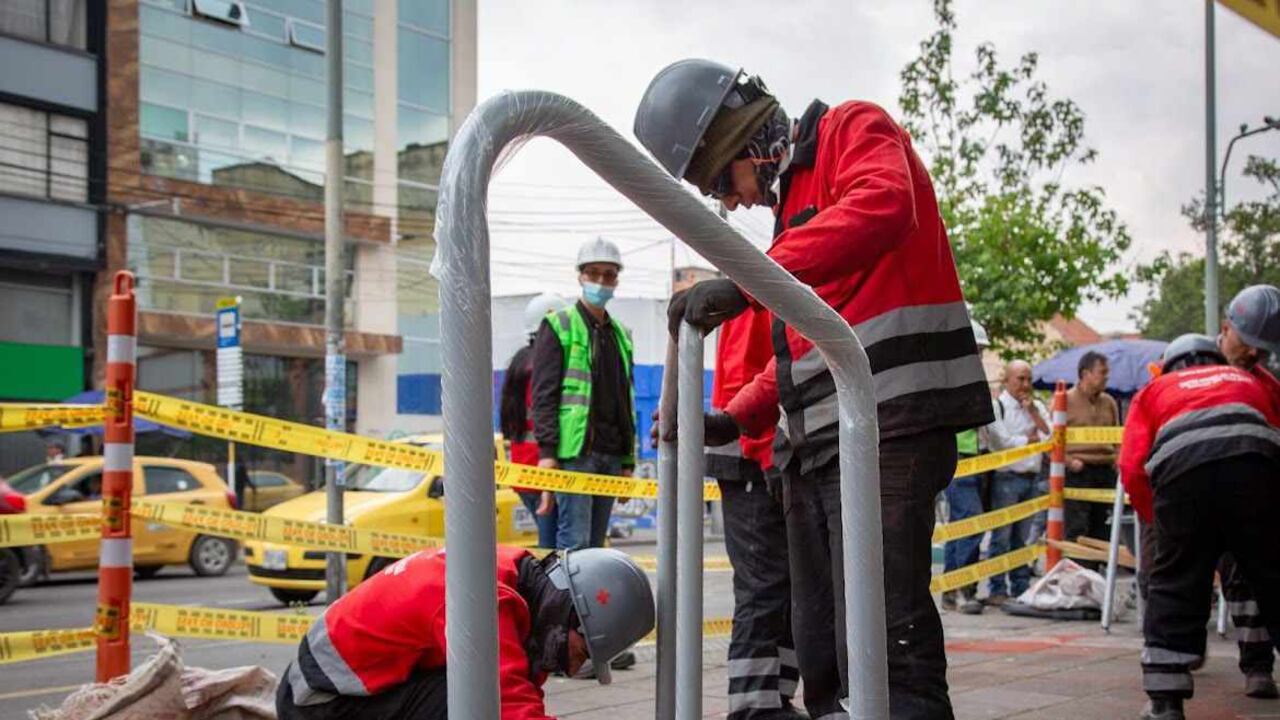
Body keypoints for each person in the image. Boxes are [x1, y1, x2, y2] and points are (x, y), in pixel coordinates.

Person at [635, 59, 994, 718]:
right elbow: (817, 343)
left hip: (895, 424)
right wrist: (737, 416)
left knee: (886, 634)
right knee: (823, 640)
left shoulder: (851, 128)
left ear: (741, 139)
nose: (734, 202)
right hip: (818, 447)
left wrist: (748, 279)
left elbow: (885, 203)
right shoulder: (794, 214)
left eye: (724, 181)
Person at [276, 546, 654, 720]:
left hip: (354, 689)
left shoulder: (521, 584)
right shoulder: (482, 600)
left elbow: (523, 694)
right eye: (584, 654)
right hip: (319, 702)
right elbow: (509, 706)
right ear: (573, 617)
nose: (574, 670)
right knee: (474, 701)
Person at [1120, 334, 1280, 720]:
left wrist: (1159, 522)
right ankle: (1259, 669)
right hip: (1254, 464)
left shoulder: (1155, 390)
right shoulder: (1250, 382)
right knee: (1272, 574)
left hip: (1182, 473)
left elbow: (1132, 464)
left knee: (1175, 580)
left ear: (1170, 365)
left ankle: (1165, 700)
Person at [705, 305, 803, 719]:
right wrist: (766, 457)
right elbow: (741, 380)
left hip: (764, 453)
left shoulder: (765, 286)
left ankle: (775, 696)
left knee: (789, 587)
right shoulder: (756, 291)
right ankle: (752, 706)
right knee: (764, 586)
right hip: (751, 455)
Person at [530, 238, 636, 552]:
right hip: (576, 454)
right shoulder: (558, 325)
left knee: (595, 547)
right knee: (574, 543)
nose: (601, 281)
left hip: (611, 454)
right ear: (581, 276)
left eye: (608, 275)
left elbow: (625, 400)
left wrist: (628, 459)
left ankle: (587, 603)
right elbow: (544, 395)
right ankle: (568, 604)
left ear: (616, 280)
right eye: (594, 273)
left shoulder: (622, 335)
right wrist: (548, 453)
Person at [1215, 284, 1280, 698]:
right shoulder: (1186, 371)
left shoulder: (1270, 385)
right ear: (1226, 329)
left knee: (1253, 576)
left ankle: (1259, 667)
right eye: (1249, 343)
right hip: (1197, 495)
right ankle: (1173, 661)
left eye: (1263, 348)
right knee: (1167, 579)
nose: (1254, 353)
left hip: (1256, 496)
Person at [502, 293, 571, 549]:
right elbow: (546, 416)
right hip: (542, 468)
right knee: (551, 545)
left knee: (549, 540)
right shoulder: (543, 366)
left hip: (523, 469)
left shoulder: (520, 363)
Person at [983, 360, 1049, 605]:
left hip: (1032, 478)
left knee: (1022, 538)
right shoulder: (997, 406)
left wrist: (1032, 413)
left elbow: (1050, 435)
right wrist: (1028, 440)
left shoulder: (1037, 406)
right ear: (1007, 380)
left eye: (1028, 379)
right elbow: (1002, 441)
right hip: (1006, 479)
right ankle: (997, 589)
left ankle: (1021, 587)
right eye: (1020, 379)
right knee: (1001, 537)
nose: (1025, 384)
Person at [941, 319, 992, 616]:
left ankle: (953, 588)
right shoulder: (954, 377)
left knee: (961, 527)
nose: (980, 356)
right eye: (978, 349)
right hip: (958, 459)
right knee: (970, 523)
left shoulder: (966, 377)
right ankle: (962, 588)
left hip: (975, 459)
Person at [1063, 351, 1120, 554]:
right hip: (1078, 471)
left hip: (1105, 471)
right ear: (1086, 373)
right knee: (1077, 528)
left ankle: (1098, 579)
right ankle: (1078, 577)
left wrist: (1119, 459)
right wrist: (1069, 461)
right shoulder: (1064, 401)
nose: (1106, 377)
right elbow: (1052, 442)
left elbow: (1117, 438)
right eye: (1101, 372)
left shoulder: (1109, 402)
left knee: (1103, 528)